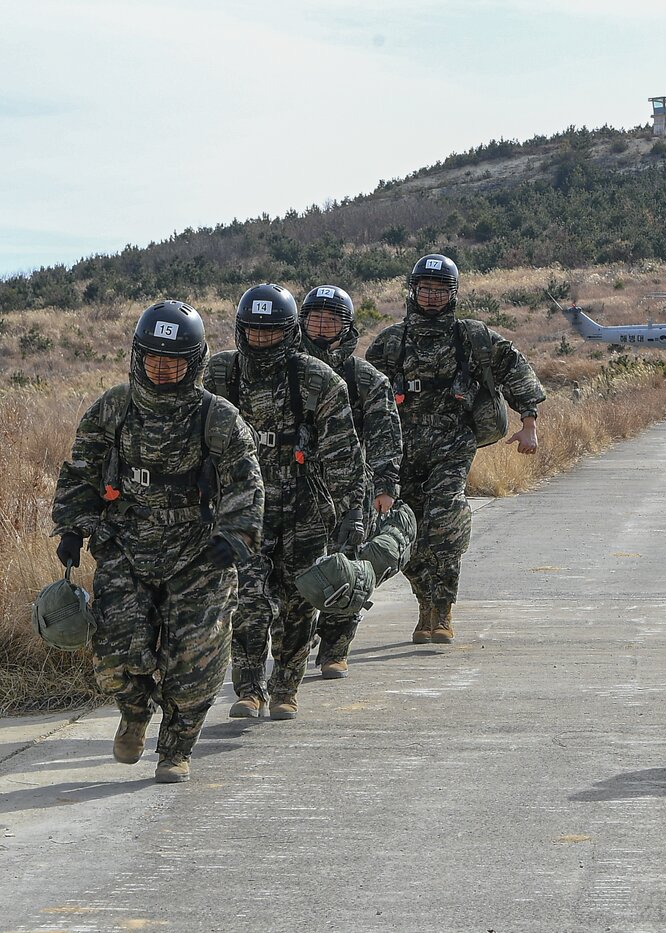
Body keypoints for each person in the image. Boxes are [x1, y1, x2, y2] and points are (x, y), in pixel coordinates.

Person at [51, 301, 264, 782]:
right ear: (137, 357)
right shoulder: (113, 407)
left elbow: (247, 485)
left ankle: (176, 748)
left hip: (199, 553)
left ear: (196, 362)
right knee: (115, 653)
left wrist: (235, 536)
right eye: (154, 360)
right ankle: (134, 712)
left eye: (174, 362)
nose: (163, 370)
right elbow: (81, 471)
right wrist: (72, 527)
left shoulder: (219, 418)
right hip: (126, 545)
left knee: (195, 661)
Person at [366, 254, 546, 644]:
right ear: (413, 292)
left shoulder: (471, 336)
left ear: (453, 295)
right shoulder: (389, 342)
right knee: (408, 528)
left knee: (445, 521)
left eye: (440, 291)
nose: (431, 298)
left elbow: (515, 369)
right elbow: (365, 395)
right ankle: (424, 605)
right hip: (402, 448)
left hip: (453, 442)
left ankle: (443, 609)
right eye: (425, 290)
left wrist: (528, 422)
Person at [207, 284, 365, 720]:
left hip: (304, 508)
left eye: (271, 333)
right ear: (241, 331)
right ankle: (249, 688)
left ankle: (285, 688)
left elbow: (343, 452)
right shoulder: (220, 375)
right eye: (254, 333)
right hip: (242, 511)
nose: (262, 341)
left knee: (298, 604)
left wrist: (352, 510)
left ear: (289, 332)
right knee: (248, 599)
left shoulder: (317, 379)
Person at [299, 285, 404, 679]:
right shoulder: (285, 370)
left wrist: (385, 486)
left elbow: (385, 435)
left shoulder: (366, 379)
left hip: (349, 488)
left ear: (347, 326)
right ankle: (297, 638)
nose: (322, 326)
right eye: (315, 318)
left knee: (347, 566)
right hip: (294, 488)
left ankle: (335, 648)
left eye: (332, 320)